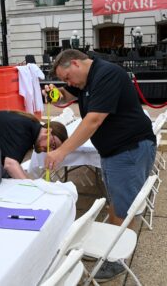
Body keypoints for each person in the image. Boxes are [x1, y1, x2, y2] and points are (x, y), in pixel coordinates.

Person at [43, 49, 156, 282]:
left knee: (122, 208)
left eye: (66, 77)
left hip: (129, 150)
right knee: (116, 202)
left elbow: (93, 120)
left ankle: (116, 260)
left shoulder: (106, 74)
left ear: (75, 63)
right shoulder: (85, 79)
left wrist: (62, 151)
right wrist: (54, 94)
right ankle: (111, 249)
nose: (67, 82)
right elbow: (65, 96)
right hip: (116, 151)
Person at [0, 110, 68, 179]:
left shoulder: (30, 127)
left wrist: (29, 181)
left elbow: (12, 164)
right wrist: (32, 188)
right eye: (53, 145)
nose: (50, 151)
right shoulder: (25, 131)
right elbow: (10, 165)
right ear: (48, 131)